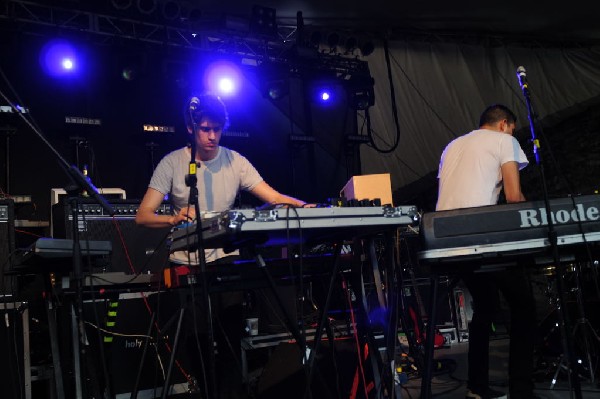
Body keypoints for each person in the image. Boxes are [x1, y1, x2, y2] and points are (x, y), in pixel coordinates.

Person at [135, 92, 307, 398]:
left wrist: (308, 207)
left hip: (226, 260)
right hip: (185, 261)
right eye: (205, 129)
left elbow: (274, 197)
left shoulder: (235, 161)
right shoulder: (172, 163)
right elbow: (143, 216)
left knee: (230, 336)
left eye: (217, 129)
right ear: (191, 127)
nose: (212, 136)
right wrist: (174, 218)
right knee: (197, 341)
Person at [436, 104, 537, 399]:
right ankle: (522, 391)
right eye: (513, 128)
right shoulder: (505, 140)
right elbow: (514, 196)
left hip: (445, 240)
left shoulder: (451, 146)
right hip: (479, 237)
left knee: (485, 307)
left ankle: (476, 388)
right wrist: (538, 222)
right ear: (505, 124)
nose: (513, 134)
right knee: (524, 307)